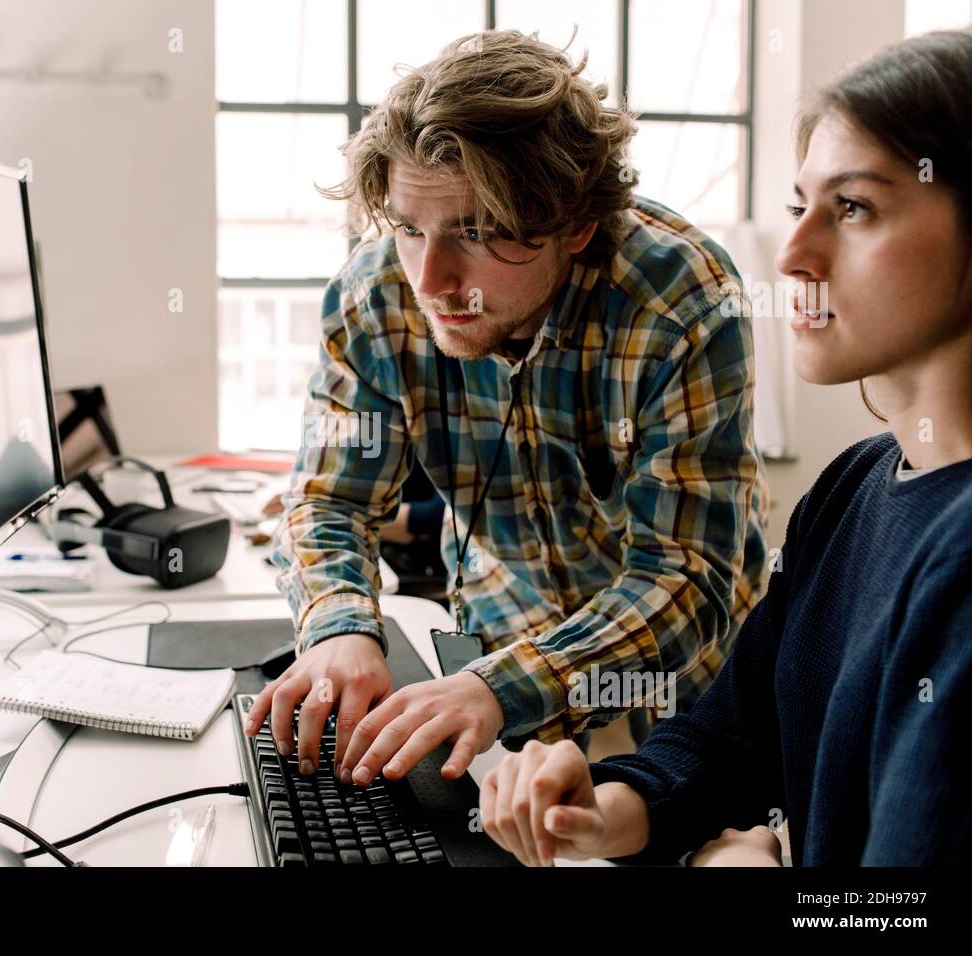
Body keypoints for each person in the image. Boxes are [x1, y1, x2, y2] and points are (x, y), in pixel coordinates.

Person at [478, 28, 972, 867]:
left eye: (854, 207)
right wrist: (610, 803)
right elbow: (730, 734)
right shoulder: (855, 485)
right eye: (799, 205)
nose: (793, 253)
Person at [244, 30, 769, 784]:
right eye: (410, 228)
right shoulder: (374, 296)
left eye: (477, 231)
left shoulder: (680, 300)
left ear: (576, 223)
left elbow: (682, 575)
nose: (432, 280)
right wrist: (338, 626)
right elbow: (327, 499)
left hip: (688, 662)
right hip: (504, 632)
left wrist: (502, 686)